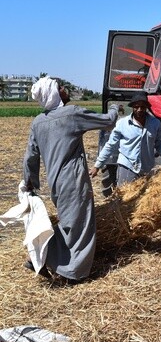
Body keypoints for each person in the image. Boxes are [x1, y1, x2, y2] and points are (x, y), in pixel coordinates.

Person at [22, 76, 121, 284]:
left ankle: (42, 256)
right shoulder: (72, 114)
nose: (65, 89)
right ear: (54, 92)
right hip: (74, 181)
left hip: (56, 183)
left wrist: (29, 182)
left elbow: (30, 156)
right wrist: (115, 109)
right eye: (61, 87)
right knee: (82, 227)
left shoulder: (38, 123)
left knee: (69, 224)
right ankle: (72, 272)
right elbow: (108, 122)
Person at [90, 93, 161, 186]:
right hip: (127, 166)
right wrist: (97, 165)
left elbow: (159, 144)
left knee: (145, 198)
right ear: (132, 107)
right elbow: (110, 145)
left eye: (142, 107)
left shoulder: (155, 123)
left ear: (146, 107)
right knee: (125, 196)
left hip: (147, 167)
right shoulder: (122, 124)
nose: (139, 110)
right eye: (136, 107)